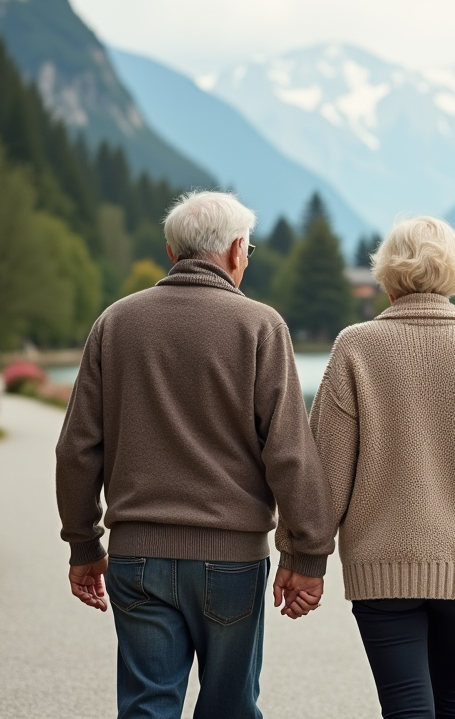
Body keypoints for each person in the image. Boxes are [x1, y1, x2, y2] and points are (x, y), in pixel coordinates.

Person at [55, 191, 335, 719]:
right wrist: (307, 557)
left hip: (137, 556)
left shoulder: (115, 323)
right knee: (230, 708)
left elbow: (76, 449)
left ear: (170, 251)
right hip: (232, 561)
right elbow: (290, 455)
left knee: (147, 706)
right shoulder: (259, 325)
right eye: (247, 249)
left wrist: (83, 544)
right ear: (234, 251)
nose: (246, 258)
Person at [288, 215, 455, 719]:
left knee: (406, 705)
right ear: (454, 273)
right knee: (453, 701)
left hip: (381, 569)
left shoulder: (354, 347)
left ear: (386, 274)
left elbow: (325, 478)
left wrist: (306, 561)